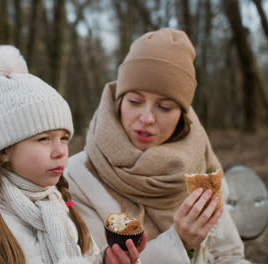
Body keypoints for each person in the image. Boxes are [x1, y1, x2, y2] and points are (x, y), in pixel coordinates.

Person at [0, 45, 146, 264]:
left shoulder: (57, 207)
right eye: (43, 139)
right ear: (4, 149)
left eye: (63, 138)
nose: (60, 151)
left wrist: (103, 261)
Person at [65, 28, 251, 263]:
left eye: (164, 107)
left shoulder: (202, 170)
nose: (147, 118)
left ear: (182, 115)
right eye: (135, 101)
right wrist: (180, 242)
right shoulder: (76, 178)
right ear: (118, 100)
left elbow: (230, 256)